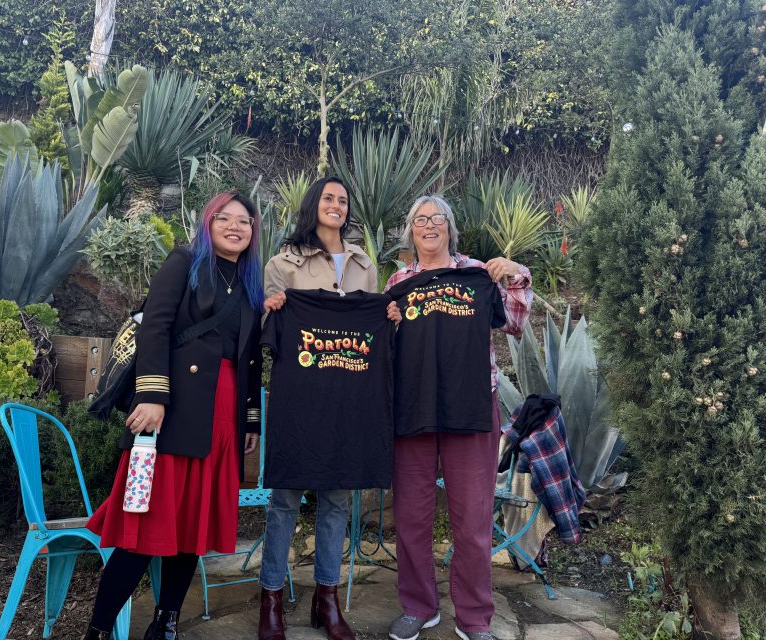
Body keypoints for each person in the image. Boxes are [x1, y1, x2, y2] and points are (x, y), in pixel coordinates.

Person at [83, 192, 265, 640]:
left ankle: (164, 624)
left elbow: (250, 359)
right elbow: (157, 326)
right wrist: (152, 395)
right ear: (209, 223)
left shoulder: (249, 282)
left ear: (253, 231)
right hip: (169, 413)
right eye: (224, 217)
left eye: (244, 220)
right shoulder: (183, 260)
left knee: (192, 530)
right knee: (142, 530)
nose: (234, 226)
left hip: (222, 419)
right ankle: (98, 630)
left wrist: (251, 419)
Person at [258, 176, 400, 640]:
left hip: (348, 400)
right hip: (299, 399)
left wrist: (389, 318)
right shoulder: (283, 262)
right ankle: (272, 599)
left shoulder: (364, 265)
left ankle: (326, 598)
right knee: (284, 500)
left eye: (342, 200)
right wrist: (273, 307)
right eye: (328, 198)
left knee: (338, 498)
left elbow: (370, 328)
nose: (336, 205)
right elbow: (268, 328)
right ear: (312, 205)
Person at [384, 195, 532, 640]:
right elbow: (383, 345)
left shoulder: (478, 273)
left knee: (472, 517)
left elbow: (517, 323)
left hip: (470, 406)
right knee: (411, 515)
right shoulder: (397, 280)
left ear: (450, 226)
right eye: (420, 220)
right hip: (412, 407)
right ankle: (418, 606)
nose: (429, 226)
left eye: (438, 219)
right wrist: (387, 320)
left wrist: (515, 275)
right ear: (411, 230)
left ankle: (473, 617)